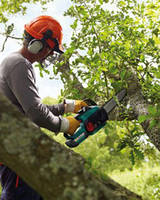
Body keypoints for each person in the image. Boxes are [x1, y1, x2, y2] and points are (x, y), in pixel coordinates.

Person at [0, 15, 87, 200]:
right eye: (49, 48)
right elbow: (36, 114)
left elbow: (31, 107)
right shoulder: (19, 64)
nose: (49, 54)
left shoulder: (16, 62)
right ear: (37, 45)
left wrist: (67, 107)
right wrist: (64, 125)